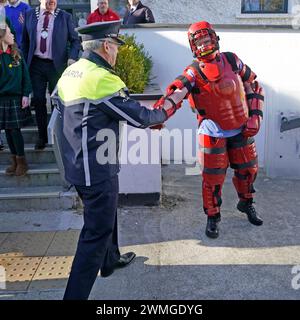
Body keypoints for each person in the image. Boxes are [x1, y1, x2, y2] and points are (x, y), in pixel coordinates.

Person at [52, 20, 178, 300]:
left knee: (107, 214)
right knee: (95, 234)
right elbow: (141, 117)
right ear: (107, 47)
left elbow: (60, 112)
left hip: (78, 165)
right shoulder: (102, 79)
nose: (118, 53)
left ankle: (110, 260)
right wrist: (168, 107)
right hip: (96, 170)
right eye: (116, 47)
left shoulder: (70, 72)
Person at [154, 21, 264, 239]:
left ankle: (246, 203)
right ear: (193, 46)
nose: (204, 44)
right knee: (213, 180)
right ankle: (213, 217)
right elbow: (177, 93)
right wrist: (159, 114)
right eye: (200, 40)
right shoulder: (193, 72)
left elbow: (253, 84)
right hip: (212, 131)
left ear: (214, 38)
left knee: (248, 172)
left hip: (241, 126)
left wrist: (255, 116)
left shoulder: (232, 60)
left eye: (207, 38)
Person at [22, 0, 80, 150]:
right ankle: (42, 136)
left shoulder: (65, 17)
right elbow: (25, 42)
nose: (52, 1)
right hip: (36, 65)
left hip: (57, 66)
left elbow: (75, 41)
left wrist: (72, 57)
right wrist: (23, 63)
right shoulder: (29, 15)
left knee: (58, 102)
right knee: (39, 100)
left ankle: (57, 135)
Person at [0, 23, 32, 176]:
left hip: (16, 98)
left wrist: (26, 94)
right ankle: (14, 160)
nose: (13, 35)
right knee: (7, 130)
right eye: (9, 33)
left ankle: (22, 161)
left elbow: (25, 75)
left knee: (15, 130)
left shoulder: (16, 53)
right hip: (2, 99)